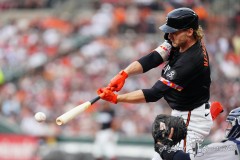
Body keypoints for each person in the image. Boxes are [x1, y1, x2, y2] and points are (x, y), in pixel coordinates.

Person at [97, 7, 213, 160]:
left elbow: (154, 93)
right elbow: (153, 58)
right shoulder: (181, 42)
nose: (169, 36)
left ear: (190, 31)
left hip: (191, 119)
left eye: (174, 32)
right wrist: (123, 74)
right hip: (183, 113)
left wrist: (116, 98)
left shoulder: (190, 61)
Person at [154, 107, 240, 160]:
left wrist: (162, 149)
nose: (229, 128)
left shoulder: (231, 147)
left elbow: (185, 159)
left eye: (232, 124)